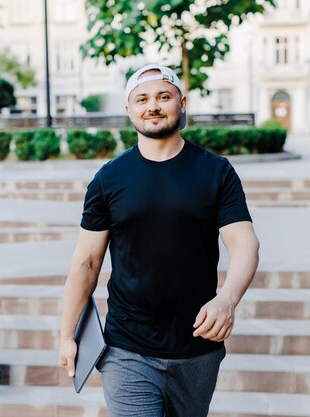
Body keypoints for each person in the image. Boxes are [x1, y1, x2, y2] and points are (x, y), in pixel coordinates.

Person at [58, 63, 260, 417]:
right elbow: (86, 263)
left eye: (163, 97)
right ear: (129, 110)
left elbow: (244, 243)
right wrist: (66, 335)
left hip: (198, 346)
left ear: (182, 103)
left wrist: (227, 299)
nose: (152, 105)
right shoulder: (109, 179)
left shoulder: (216, 172)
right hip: (126, 348)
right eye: (142, 99)